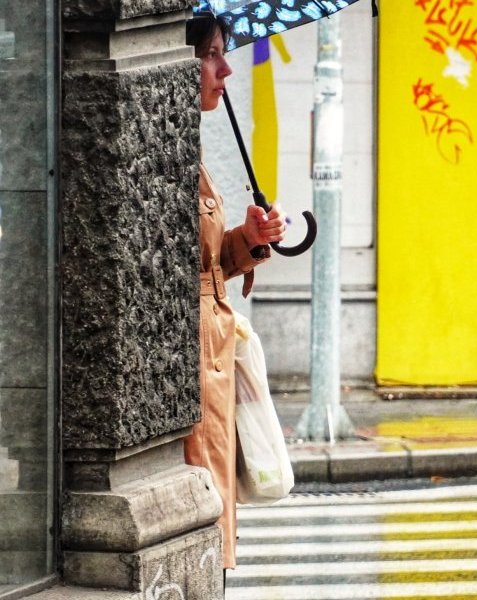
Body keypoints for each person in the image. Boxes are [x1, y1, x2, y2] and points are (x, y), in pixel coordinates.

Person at [184, 13, 288, 571]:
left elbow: (199, 262)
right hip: (195, 368)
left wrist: (246, 240)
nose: (225, 68)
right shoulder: (165, 151)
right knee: (202, 514)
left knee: (216, 514)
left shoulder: (186, 147)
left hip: (213, 362)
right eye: (211, 54)